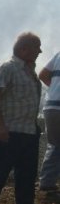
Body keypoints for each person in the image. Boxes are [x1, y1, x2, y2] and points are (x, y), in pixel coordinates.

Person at [0, 32, 53, 204]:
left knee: (27, 174)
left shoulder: (29, 70)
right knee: (0, 170)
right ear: (24, 49)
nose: (40, 51)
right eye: (37, 47)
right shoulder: (6, 68)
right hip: (10, 131)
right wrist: (1, 126)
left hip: (28, 130)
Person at [37, 51, 60, 192]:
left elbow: (42, 75)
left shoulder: (58, 54)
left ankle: (47, 181)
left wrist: (55, 89)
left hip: (51, 106)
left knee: (55, 144)